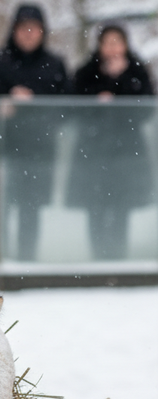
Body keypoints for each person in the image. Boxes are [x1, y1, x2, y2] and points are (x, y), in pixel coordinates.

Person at [0, 4, 68, 261]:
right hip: (2, 149)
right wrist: (1, 102)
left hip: (38, 151)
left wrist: (36, 104)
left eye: (34, 28)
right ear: (14, 30)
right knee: (0, 208)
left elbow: (66, 108)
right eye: (23, 27)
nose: (29, 33)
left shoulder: (55, 64)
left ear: (43, 32)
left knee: (32, 209)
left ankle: (27, 262)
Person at [66, 24, 155, 260]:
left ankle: (118, 256)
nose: (113, 47)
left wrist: (122, 79)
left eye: (118, 41)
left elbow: (146, 109)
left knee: (121, 207)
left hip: (127, 152)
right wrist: (98, 99)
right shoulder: (86, 71)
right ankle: (97, 257)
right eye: (108, 42)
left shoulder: (137, 71)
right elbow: (72, 107)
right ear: (100, 45)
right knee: (94, 207)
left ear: (125, 45)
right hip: (93, 151)